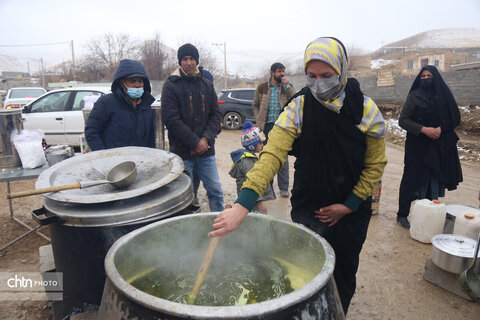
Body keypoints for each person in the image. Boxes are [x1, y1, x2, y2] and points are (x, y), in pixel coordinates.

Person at [209, 37, 387, 315]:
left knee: (343, 271)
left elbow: (375, 166)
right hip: (309, 205)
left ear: (341, 70)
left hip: (351, 211)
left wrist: (349, 205)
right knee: (304, 269)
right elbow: (272, 154)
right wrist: (243, 205)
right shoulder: (299, 107)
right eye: (311, 76)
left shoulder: (365, 110)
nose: (318, 83)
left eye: (326, 76)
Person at [396, 65, 463, 229]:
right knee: (411, 178)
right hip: (418, 146)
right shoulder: (415, 96)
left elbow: (455, 118)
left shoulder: (444, 96)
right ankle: (402, 214)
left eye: (429, 76)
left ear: (436, 77)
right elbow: (403, 120)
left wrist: (441, 128)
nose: (426, 79)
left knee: (433, 179)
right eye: (423, 76)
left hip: (439, 147)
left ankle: (427, 214)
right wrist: (424, 130)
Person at [162, 43, 224, 212]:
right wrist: (195, 142)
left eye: (192, 59)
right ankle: (186, 229)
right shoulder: (171, 86)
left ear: (196, 61)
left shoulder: (207, 84)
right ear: (180, 62)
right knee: (184, 196)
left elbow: (215, 115)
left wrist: (204, 140)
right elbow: (171, 120)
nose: (188, 63)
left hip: (206, 152)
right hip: (183, 153)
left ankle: (221, 225)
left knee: (216, 191)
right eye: (185, 59)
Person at [85, 59, 155, 151]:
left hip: (140, 161)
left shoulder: (145, 106)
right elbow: (92, 132)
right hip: (114, 161)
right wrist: (104, 155)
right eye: (132, 81)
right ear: (122, 83)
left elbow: (151, 138)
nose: (137, 85)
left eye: (140, 81)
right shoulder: (106, 103)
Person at [252, 62, 296, 197]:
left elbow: (295, 99)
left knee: (282, 157)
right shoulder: (262, 87)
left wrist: (287, 86)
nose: (282, 74)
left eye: (283, 71)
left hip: (282, 127)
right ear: (272, 72)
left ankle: (283, 188)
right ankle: (268, 187)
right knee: (266, 156)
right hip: (266, 127)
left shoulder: (286, 86)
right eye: (279, 71)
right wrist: (258, 118)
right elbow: (255, 105)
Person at [229, 121, 275, 213]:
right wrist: (260, 203)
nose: (262, 145)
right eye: (260, 143)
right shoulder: (248, 161)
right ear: (251, 146)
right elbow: (252, 183)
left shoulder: (248, 158)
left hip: (248, 199)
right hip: (251, 201)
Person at [191, 66, 215, 206]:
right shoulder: (190, 99)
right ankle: (192, 195)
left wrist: (205, 140)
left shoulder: (211, 98)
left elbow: (215, 120)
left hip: (207, 147)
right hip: (189, 147)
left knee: (213, 187)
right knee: (191, 176)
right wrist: (195, 143)